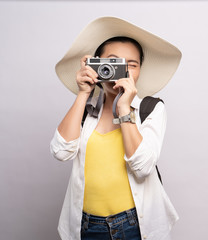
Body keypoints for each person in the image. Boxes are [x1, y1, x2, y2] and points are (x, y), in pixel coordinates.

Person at [50, 17, 181, 240]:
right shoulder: (86, 109)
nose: (120, 71)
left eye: (131, 65)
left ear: (139, 71)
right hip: (85, 225)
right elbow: (61, 152)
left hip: (133, 225)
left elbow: (142, 167)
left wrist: (123, 107)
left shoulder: (150, 109)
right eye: (112, 62)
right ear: (95, 65)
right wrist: (83, 93)